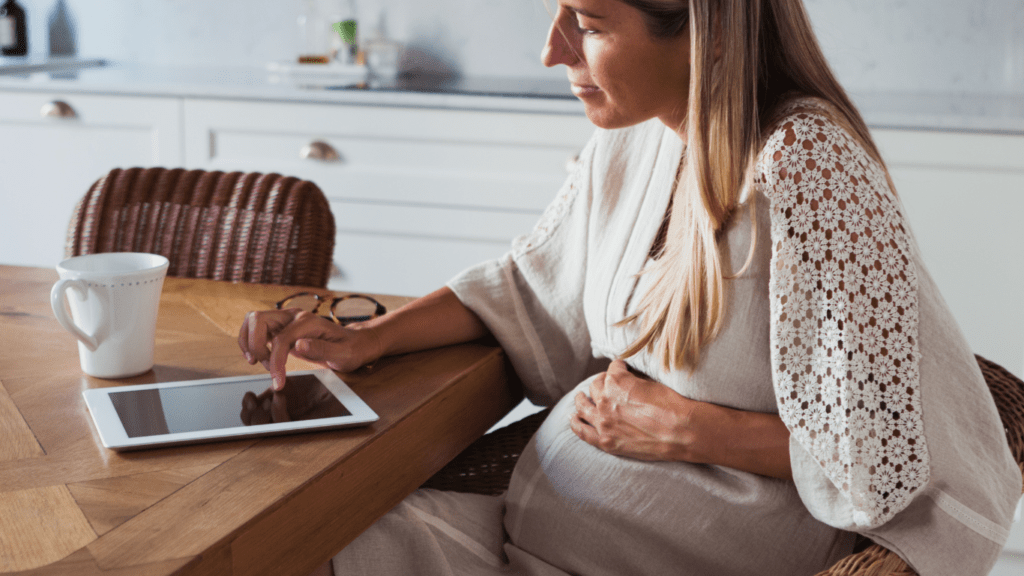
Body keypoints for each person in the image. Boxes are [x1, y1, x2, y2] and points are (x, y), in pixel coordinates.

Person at [238, 1, 1022, 574]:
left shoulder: (808, 167)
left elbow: (875, 464)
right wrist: (371, 336)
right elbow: (532, 284)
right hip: (542, 535)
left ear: (706, 34)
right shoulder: (638, 138)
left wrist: (686, 429)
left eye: (588, 22)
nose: (551, 50)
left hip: (685, 558)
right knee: (291, 548)